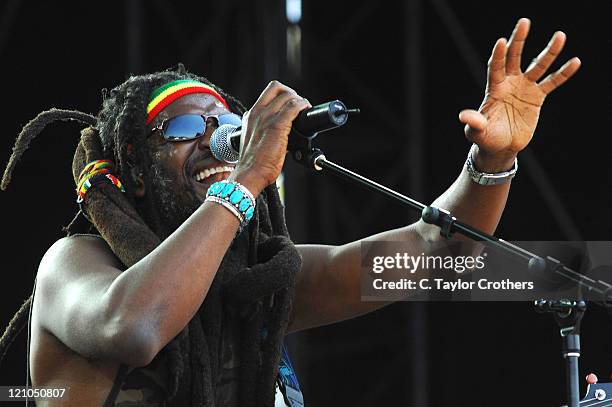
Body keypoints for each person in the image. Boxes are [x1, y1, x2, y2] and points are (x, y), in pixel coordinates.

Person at [0, 18, 580, 406]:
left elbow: (441, 251)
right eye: (181, 129)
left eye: (228, 126)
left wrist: (492, 159)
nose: (214, 141)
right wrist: (250, 176)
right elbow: (137, 328)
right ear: (133, 168)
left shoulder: (257, 284)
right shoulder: (72, 264)